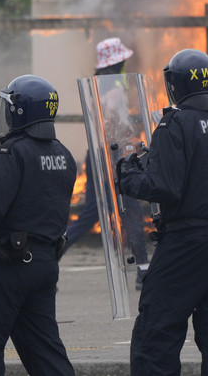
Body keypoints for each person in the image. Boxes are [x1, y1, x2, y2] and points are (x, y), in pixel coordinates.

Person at [117, 48, 208, 376]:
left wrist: (129, 176)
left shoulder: (173, 124)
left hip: (188, 241)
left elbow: (164, 187)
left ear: (175, 85)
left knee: (157, 327)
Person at [0, 74, 77, 376]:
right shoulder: (63, 154)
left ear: (20, 110)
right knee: (45, 351)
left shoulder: (13, 151)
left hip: (11, 265)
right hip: (45, 263)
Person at [63, 38, 149, 284]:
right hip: (113, 154)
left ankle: (53, 251)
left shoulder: (97, 84)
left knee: (93, 212)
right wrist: (130, 136)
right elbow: (111, 121)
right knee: (131, 209)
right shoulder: (114, 87)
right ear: (116, 62)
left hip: (96, 152)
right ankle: (143, 268)